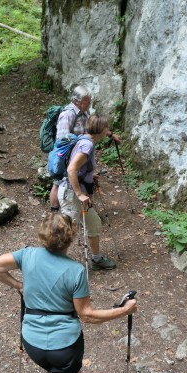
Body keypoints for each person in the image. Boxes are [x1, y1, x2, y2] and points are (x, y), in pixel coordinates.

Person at [0, 213, 138, 373]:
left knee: (65, 372)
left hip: (32, 343)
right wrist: (124, 311)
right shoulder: (75, 271)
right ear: (71, 237)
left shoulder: (27, 255)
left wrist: (19, 285)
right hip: (63, 347)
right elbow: (87, 315)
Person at [59, 114, 116, 271]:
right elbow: (72, 169)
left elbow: (78, 168)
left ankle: (97, 260)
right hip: (72, 195)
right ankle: (54, 264)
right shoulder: (87, 145)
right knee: (67, 231)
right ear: (100, 130)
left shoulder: (84, 139)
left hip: (79, 194)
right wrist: (79, 194)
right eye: (106, 128)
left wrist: (91, 175)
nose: (108, 131)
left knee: (94, 223)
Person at [49, 86, 121, 212]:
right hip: (66, 157)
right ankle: (55, 213)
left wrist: (110, 135)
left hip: (80, 154)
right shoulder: (67, 115)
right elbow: (61, 141)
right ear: (77, 101)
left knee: (80, 181)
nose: (90, 102)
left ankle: (82, 211)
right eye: (87, 100)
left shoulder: (84, 114)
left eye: (89, 100)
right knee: (59, 183)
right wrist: (75, 152)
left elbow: (95, 128)